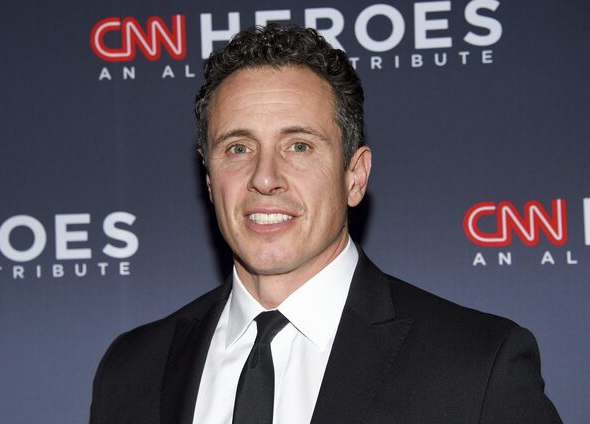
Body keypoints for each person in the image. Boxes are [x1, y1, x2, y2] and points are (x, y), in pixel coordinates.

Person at [90, 24, 562, 424]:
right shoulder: (132, 369)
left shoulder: (477, 367)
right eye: (238, 148)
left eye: (299, 146)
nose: (265, 177)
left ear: (354, 176)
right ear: (210, 180)